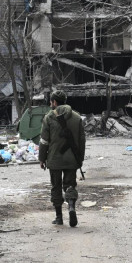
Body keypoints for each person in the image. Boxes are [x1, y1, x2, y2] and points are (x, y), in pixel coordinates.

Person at [38, 90, 86, 227]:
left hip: (54, 159)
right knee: (70, 185)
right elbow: (82, 141)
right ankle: (71, 207)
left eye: (51, 102)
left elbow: (44, 141)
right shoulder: (77, 117)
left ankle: (59, 217)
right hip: (72, 159)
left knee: (56, 187)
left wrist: (42, 158)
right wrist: (79, 159)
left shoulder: (49, 117)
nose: (50, 104)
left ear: (54, 102)